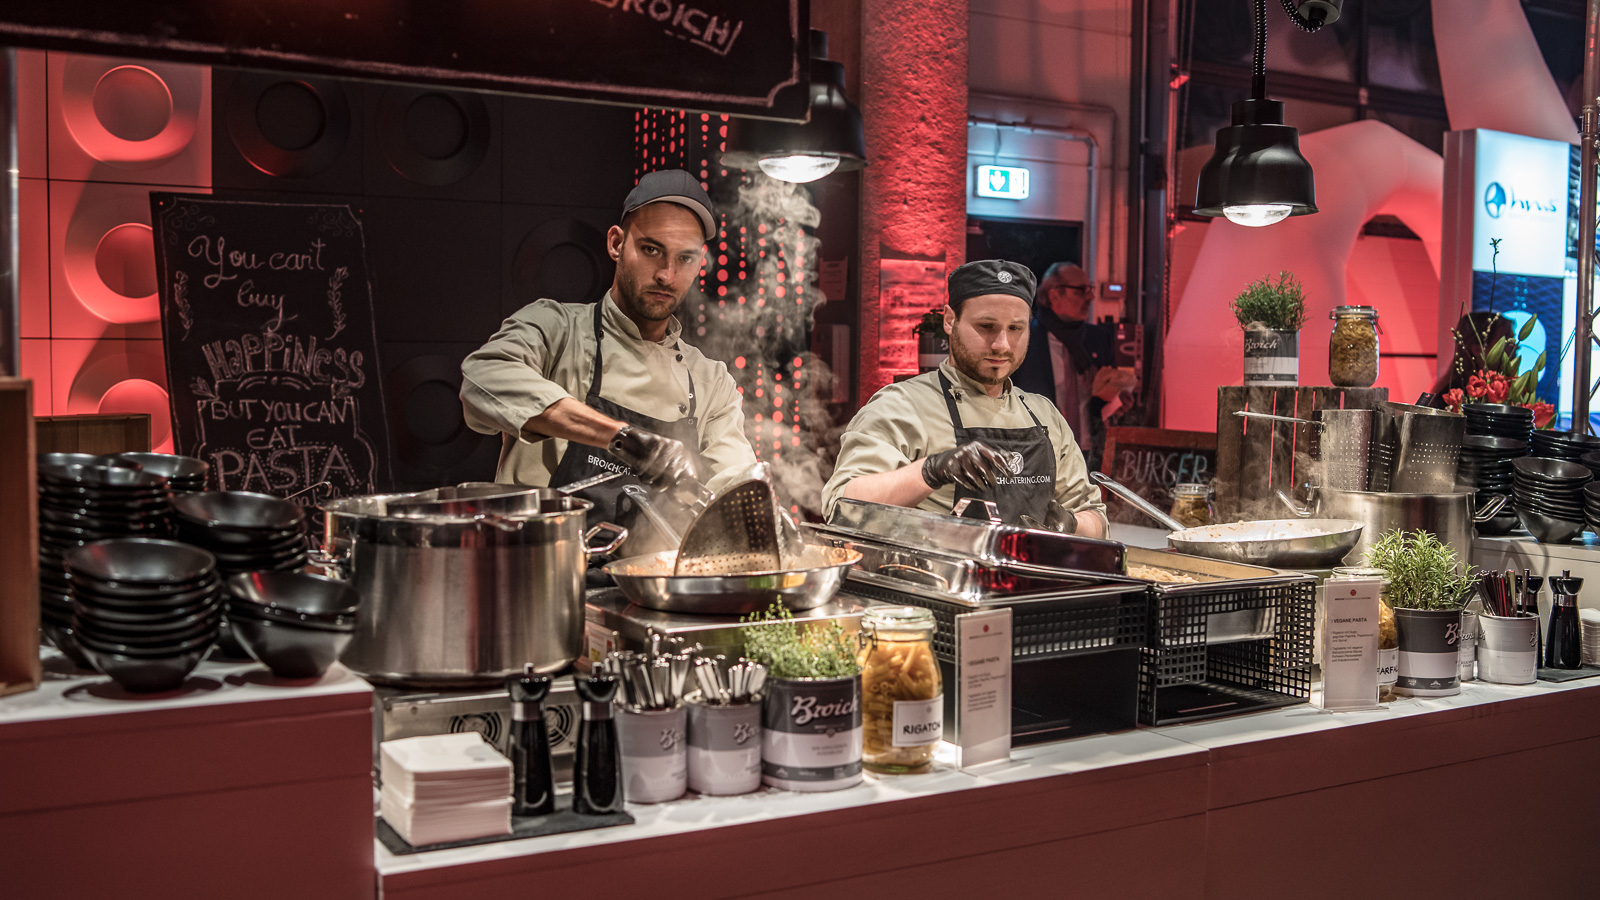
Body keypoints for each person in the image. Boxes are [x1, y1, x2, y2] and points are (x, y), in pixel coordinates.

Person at [460, 169, 758, 523]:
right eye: (651, 249)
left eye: (685, 258)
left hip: (653, 573)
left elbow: (734, 483)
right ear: (617, 243)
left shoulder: (711, 381)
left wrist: (756, 511)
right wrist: (622, 439)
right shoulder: (556, 328)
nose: (666, 274)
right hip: (543, 566)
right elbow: (482, 379)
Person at [822, 259, 1108, 535]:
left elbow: (1095, 517)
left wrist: (1071, 525)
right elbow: (842, 508)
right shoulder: (902, 405)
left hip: (1034, 581)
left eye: (1015, 328)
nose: (1001, 344)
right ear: (949, 320)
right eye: (986, 327)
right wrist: (931, 471)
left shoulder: (1043, 414)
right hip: (936, 580)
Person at [1011, 262, 1137, 473]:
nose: (1090, 297)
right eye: (1081, 291)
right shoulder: (1024, 340)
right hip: (1038, 452)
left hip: (1089, 453)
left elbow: (1103, 404)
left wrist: (1118, 404)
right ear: (1054, 295)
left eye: (1090, 290)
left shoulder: (1098, 339)